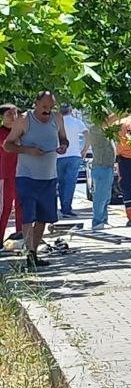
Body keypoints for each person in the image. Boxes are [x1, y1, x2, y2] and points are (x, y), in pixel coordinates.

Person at [2, 92, 70, 268]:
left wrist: (63, 145)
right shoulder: (24, 119)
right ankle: (29, 253)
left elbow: (64, 138)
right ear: (36, 104)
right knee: (27, 216)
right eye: (44, 107)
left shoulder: (57, 118)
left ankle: (33, 253)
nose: (47, 111)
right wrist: (28, 150)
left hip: (49, 176)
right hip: (27, 176)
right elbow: (7, 145)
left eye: (51, 107)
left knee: (43, 217)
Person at [85, 114, 117, 230]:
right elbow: (110, 120)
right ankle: (97, 221)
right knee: (100, 196)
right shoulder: (96, 129)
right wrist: (123, 110)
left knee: (106, 196)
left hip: (107, 167)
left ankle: (103, 219)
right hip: (102, 167)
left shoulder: (104, 129)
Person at [57, 104, 89, 218]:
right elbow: (87, 134)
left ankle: (63, 206)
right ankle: (67, 208)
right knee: (70, 182)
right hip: (74, 155)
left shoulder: (57, 123)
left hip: (59, 155)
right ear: (70, 110)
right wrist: (84, 149)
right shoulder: (77, 122)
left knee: (61, 182)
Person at [0, 104, 22, 242]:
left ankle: (21, 235)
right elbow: (9, 147)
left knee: (21, 206)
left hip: (20, 174)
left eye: (15, 114)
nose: (13, 117)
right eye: (9, 114)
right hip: (4, 176)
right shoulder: (2, 132)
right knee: (5, 208)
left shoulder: (20, 132)